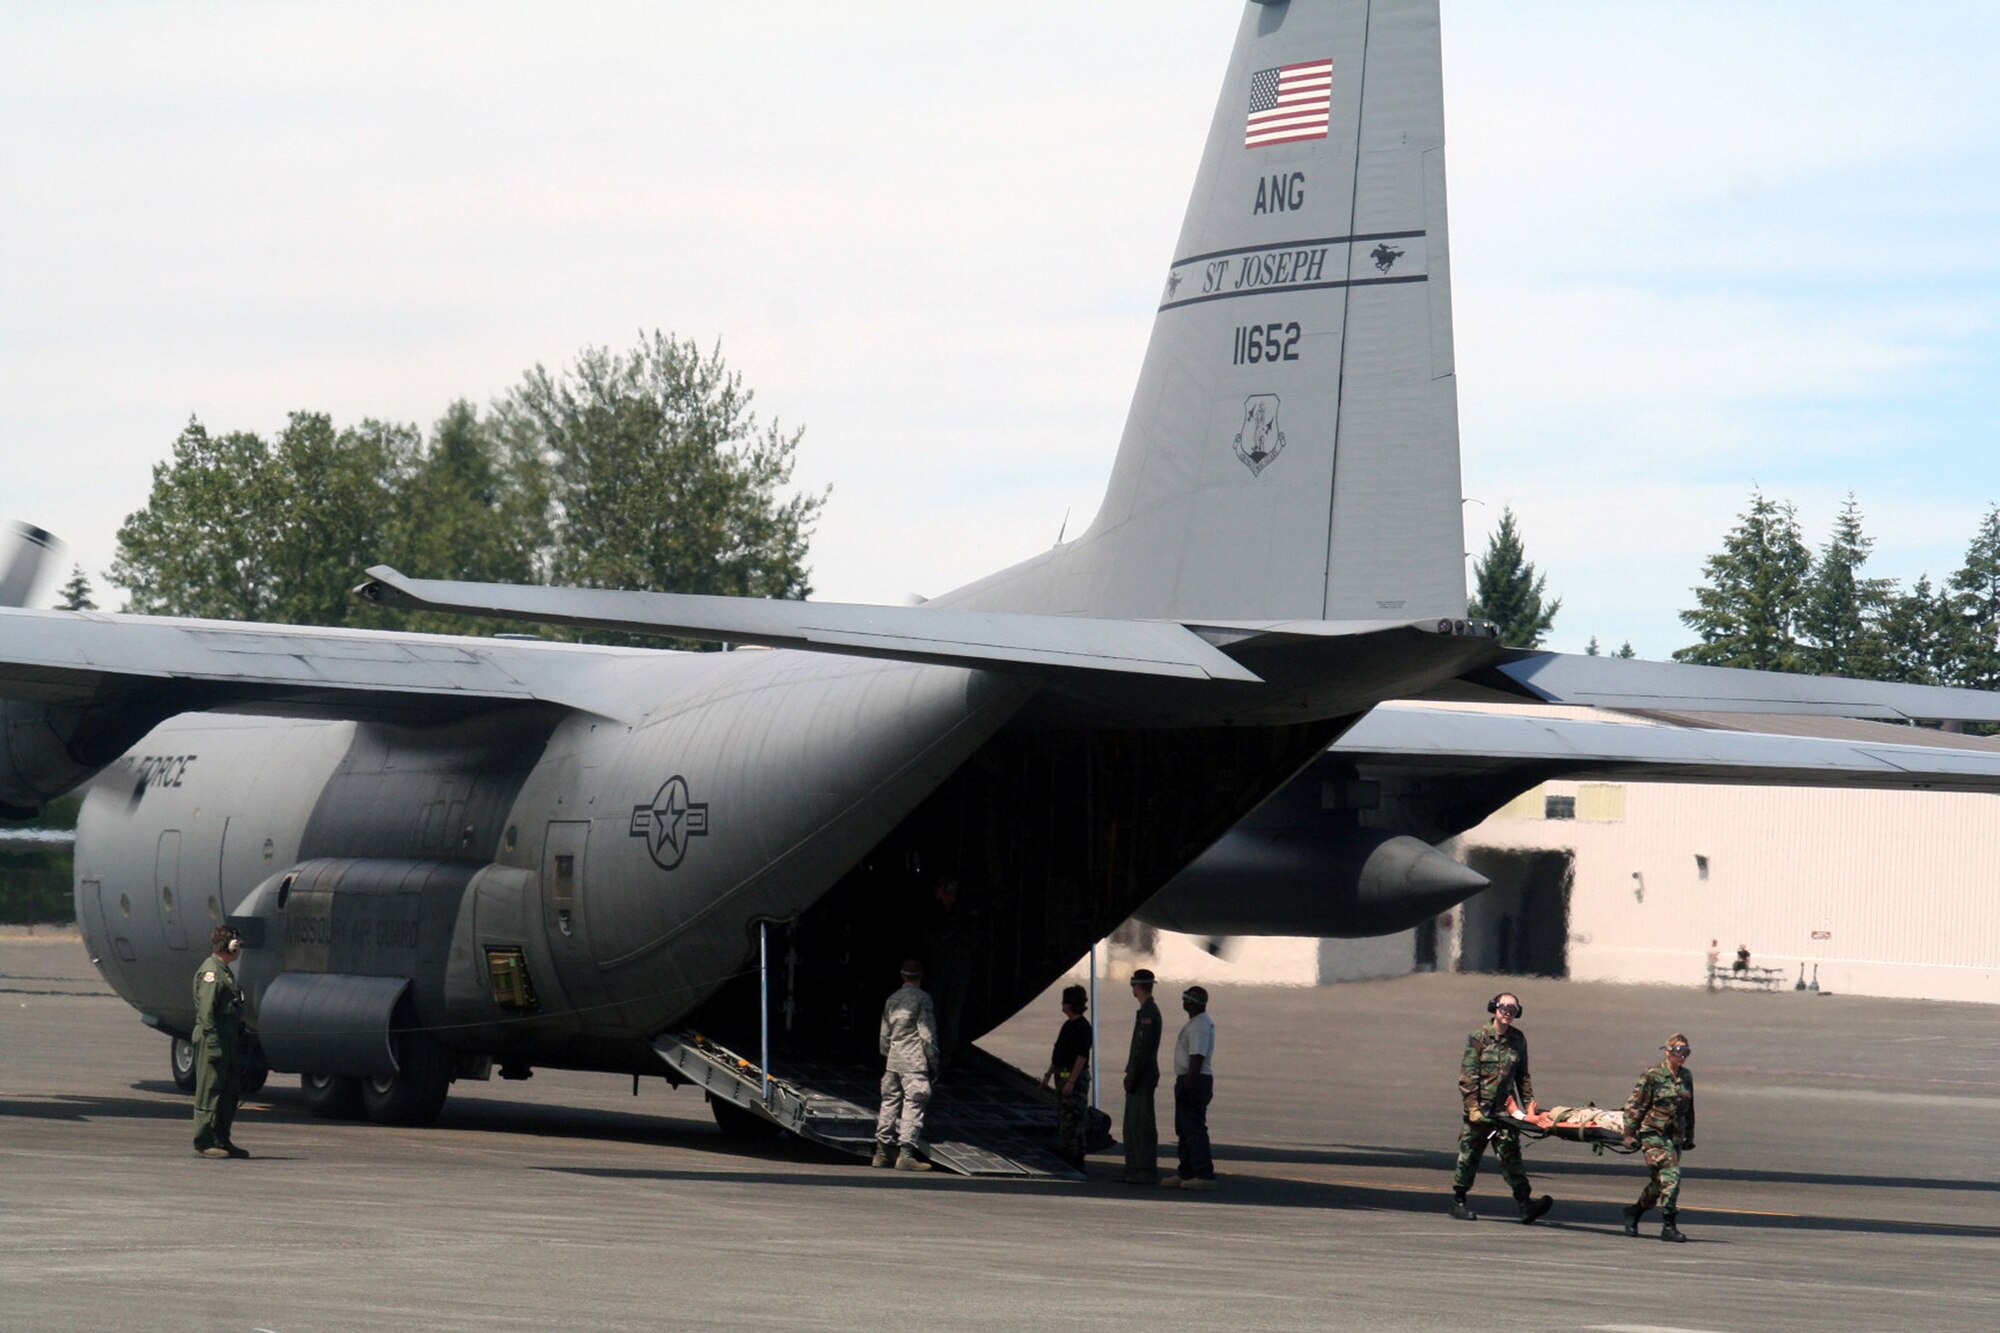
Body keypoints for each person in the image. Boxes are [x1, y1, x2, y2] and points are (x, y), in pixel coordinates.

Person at [1450, 992, 1553, 1223]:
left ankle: (1525, 1203)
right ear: (1494, 1009)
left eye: (1513, 1009)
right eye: (1504, 1007)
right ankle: (1458, 1201)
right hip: (1480, 1110)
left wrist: (1529, 1107)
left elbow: (1522, 1075)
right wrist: (1472, 1107)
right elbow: (1468, 1076)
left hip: (1506, 1111)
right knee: (1469, 1156)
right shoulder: (1479, 1037)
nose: (1508, 1012)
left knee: (1510, 1156)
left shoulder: (1518, 1039)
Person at [1622, 1033, 1697, 1242]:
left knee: (1658, 1185)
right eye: (1678, 1051)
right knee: (1672, 1176)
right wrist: (1628, 1134)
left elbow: (1688, 1109)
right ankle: (1668, 1226)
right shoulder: (1652, 1075)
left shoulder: (1686, 1077)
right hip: (1653, 1134)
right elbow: (1636, 1105)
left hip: (1674, 1136)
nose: (1681, 1056)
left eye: (1685, 1052)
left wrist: (1689, 1135)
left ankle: (1634, 1212)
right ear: (1667, 1051)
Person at [873, 958, 939, 1172]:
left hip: (893, 1060)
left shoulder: (892, 999)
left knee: (889, 1102)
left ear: (902, 976)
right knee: (914, 1103)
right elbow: (927, 1035)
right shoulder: (923, 999)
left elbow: (884, 1034)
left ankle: (882, 1152)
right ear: (921, 977)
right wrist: (934, 1062)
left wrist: (888, 1055)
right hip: (914, 1060)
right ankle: (906, 1155)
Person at [191, 925, 249, 1159]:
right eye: (237, 945)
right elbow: (207, 1014)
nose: (239, 950)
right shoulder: (211, 974)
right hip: (213, 1039)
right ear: (230, 946)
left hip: (227, 1039)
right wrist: (214, 1045)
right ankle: (204, 1141)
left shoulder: (225, 972)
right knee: (210, 1090)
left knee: (228, 1092)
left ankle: (222, 1139)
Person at [1161, 985, 1215, 1191]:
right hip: (1190, 1079)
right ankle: (1187, 1172)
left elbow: (1197, 1058)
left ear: (1192, 1003)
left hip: (1195, 1080)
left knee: (1194, 1130)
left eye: (1186, 999)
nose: (1183, 1002)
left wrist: (1187, 1085)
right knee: (1184, 1129)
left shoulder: (1199, 1026)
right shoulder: (1197, 1023)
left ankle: (1203, 1175)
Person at [1040, 983, 1092, 1169]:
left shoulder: (1083, 1027)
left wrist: (1071, 1081)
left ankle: (1076, 1156)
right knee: (1064, 1115)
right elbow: (1059, 1052)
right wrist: (1048, 1075)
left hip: (1073, 1077)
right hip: (1063, 1074)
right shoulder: (1069, 1025)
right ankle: (1066, 1150)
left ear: (1070, 1004)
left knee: (1075, 1117)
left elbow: (1081, 1056)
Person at [1120, 968, 1162, 1184]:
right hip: (1141, 1074)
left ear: (1138, 986)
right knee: (1132, 1123)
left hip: (1142, 1075)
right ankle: (1135, 1167)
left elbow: (1142, 1048)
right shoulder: (1147, 1011)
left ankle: (1144, 1168)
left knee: (1141, 1123)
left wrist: (1132, 1074)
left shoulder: (1148, 1013)